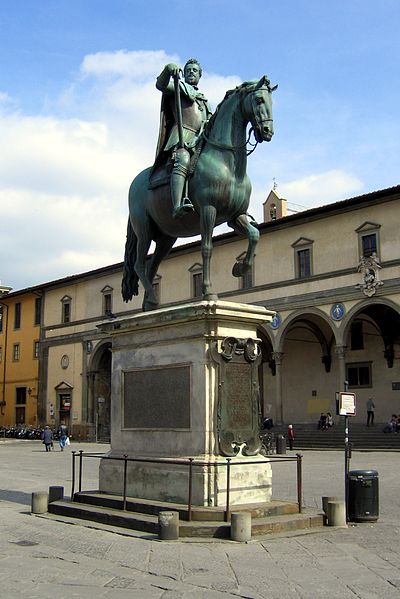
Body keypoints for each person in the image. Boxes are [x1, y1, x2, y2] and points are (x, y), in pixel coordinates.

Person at [153, 58, 212, 218]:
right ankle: (177, 205)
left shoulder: (204, 101)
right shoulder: (178, 88)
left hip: (201, 139)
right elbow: (161, 85)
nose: (191, 72)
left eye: (194, 70)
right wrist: (167, 69)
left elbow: (209, 123)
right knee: (183, 160)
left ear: (200, 75)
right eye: (188, 70)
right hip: (182, 136)